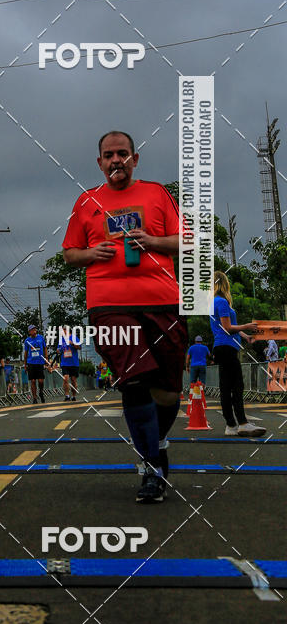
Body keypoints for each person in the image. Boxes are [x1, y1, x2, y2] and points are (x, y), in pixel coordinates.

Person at [63, 130, 187, 504]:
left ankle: (157, 444)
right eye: (108, 155)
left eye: (122, 154)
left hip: (162, 298)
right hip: (109, 302)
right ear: (99, 162)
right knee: (135, 379)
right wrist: (91, 253)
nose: (116, 160)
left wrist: (152, 242)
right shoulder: (87, 202)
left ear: (135, 159)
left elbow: (185, 240)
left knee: (167, 391)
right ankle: (151, 467)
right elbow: (69, 253)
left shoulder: (157, 193)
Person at [211, 271, 266, 437]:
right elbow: (227, 328)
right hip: (226, 347)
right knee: (237, 386)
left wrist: (245, 335)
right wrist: (247, 326)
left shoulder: (214, 301)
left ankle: (231, 425)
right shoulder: (221, 302)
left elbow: (229, 327)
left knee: (226, 387)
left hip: (222, 347)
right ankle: (242, 423)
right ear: (224, 284)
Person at [24, 323, 48, 404]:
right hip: (31, 362)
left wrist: (46, 359)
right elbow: (26, 353)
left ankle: (41, 392)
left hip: (40, 362)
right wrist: (25, 364)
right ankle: (34, 398)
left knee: (41, 381)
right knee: (33, 381)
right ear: (29, 332)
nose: (34, 331)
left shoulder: (41, 338)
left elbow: (45, 348)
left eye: (35, 329)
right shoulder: (27, 340)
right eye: (32, 330)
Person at [57, 330, 80, 400]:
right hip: (64, 363)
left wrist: (72, 344)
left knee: (73, 380)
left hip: (73, 363)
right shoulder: (61, 339)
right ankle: (67, 395)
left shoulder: (74, 337)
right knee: (65, 379)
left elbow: (79, 347)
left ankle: (73, 395)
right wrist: (58, 350)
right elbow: (58, 349)